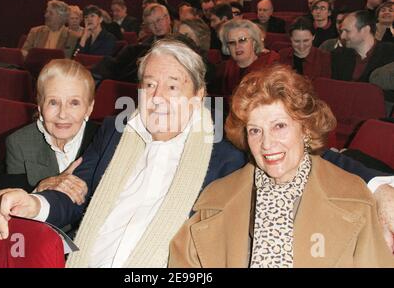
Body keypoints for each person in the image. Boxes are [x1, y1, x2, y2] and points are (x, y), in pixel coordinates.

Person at [0, 39, 247, 267]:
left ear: (198, 95)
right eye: (150, 85)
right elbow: (76, 192)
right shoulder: (115, 132)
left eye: (172, 87)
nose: (157, 97)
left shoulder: (224, 159)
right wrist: (34, 203)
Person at [169, 64, 394, 268]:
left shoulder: (355, 201)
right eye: (255, 130)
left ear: (305, 128)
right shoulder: (214, 201)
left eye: (279, 126)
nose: (266, 144)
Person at [0, 59, 98, 200]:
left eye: (74, 103)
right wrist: (38, 189)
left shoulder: (105, 139)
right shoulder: (19, 143)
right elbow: (13, 203)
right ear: (40, 105)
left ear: (89, 108)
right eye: (53, 102)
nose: (62, 114)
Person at [92, 3, 172, 84]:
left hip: (153, 75)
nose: (156, 26)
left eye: (159, 20)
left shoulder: (179, 41)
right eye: (151, 23)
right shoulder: (145, 43)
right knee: (108, 62)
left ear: (168, 18)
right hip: (133, 74)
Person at [219, 19, 280, 95]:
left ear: (254, 42)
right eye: (232, 42)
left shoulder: (269, 67)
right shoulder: (223, 70)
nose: (237, 46)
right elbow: (217, 102)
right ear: (227, 47)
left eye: (242, 40)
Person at [332, 10, 394, 82]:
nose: (342, 36)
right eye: (342, 31)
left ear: (365, 30)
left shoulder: (390, 53)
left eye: (347, 31)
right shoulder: (338, 55)